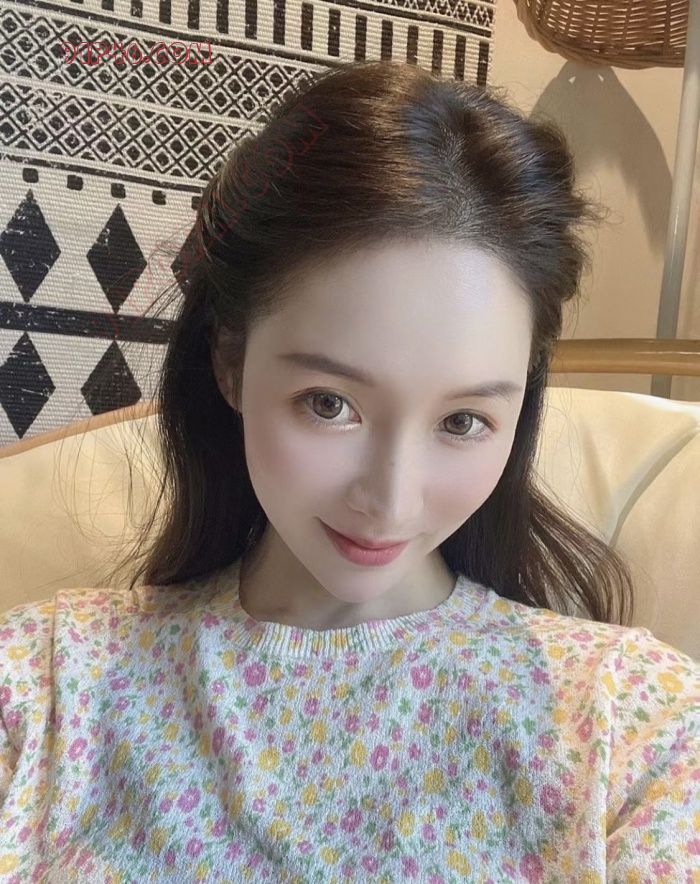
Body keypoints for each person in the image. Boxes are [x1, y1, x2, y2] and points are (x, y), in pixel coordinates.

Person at [0, 60, 698, 883]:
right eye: (329, 404)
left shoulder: (636, 726)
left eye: (463, 422)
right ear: (231, 364)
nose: (390, 501)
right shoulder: (45, 689)